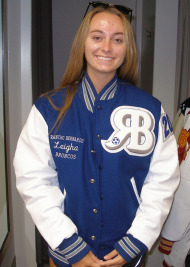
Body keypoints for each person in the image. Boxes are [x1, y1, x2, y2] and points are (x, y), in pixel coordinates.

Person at [13, 2, 180, 267]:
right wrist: (69, 245)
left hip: (124, 254)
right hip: (66, 256)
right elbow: (34, 182)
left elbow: (162, 182)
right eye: (97, 37)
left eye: (117, 39)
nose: (106, 47)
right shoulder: (48, 109)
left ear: (128, 49)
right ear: (83, 43)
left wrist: (134, 242)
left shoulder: (150, 110)